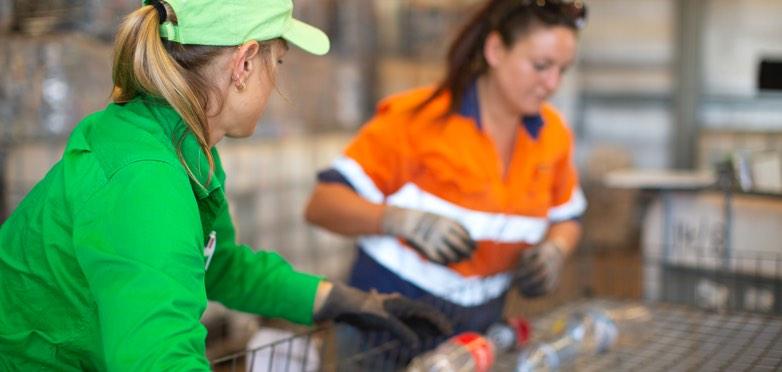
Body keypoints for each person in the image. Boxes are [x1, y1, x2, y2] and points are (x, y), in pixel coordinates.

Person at [0, 0, 452, 370]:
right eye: (277, 61)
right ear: (244, 63)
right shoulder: (146, 180)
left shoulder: (182, 145)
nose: (276, 81)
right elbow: (160, 362)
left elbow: (219, 265)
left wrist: (338, 300)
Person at [305, 0, 588, 334]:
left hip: (477, 327)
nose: (553, 83)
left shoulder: (552, 134)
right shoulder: (417, 120)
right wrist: (399, 221)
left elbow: (567, 216)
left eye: (562, 69)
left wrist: (555, 249)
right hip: (389, 328)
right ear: (495, 49)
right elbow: (322, 205)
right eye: (541, 65)